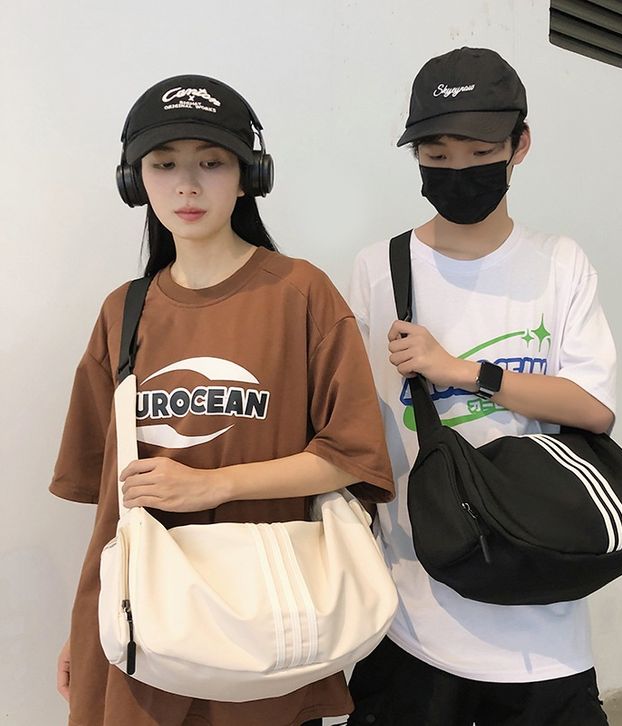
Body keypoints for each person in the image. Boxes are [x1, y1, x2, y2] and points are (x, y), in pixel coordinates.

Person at [51, 74, 394, 726]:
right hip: (143, 633)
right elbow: (108, 504)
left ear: (247, 176)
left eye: (211, 163)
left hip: (265, 630)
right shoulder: (123, 312)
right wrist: (86, 623)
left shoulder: (301, 295)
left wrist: (214, 486)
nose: (187, 185)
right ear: (134, 181)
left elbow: (352, 457)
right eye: (164, 164)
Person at [345, 48, 615, 725]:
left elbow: (593, 409)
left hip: (541, 618)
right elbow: (355, 424)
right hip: (410, 613)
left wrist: (462, 371)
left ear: (520, 146)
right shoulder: (380, 268)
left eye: (480, 151)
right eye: (436, 155)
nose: (458, 170)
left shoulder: (559, 264)